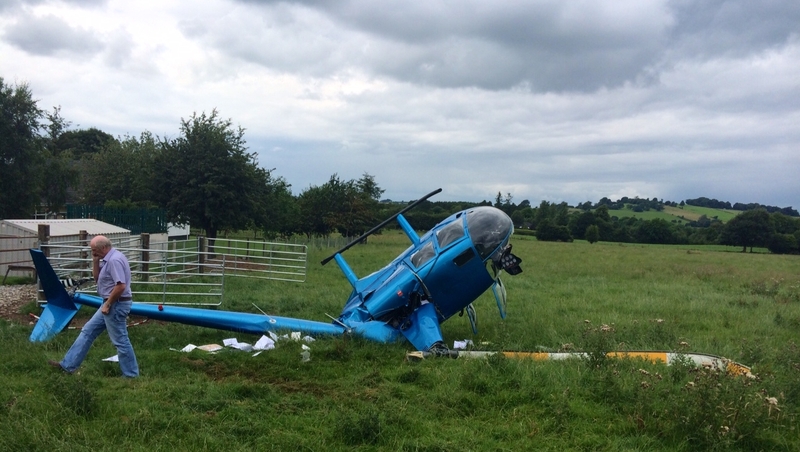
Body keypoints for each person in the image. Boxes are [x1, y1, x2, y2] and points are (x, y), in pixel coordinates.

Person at [49, 235, 139, 377]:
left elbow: (121, 286)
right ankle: (68, 366)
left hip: (115, 305)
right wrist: (95, 261)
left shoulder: (114, 260)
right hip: (109, 303)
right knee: (87, 331)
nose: (93, 252)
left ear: (103, 247)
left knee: (120, 340)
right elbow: (98, 279)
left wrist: (108, 304)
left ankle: (131, 375)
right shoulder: (108, 258)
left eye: (94, 250)